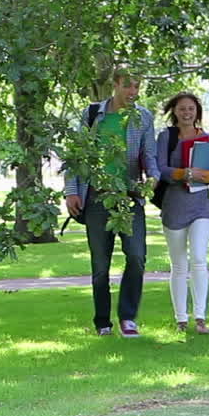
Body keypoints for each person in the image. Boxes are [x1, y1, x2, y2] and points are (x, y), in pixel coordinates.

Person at [64, 68, 157, 338]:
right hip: (96, 197)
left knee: (137, 256)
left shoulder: (143, 117)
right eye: (128, 86)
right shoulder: (93, 114)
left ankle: (128, 317)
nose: (133, 92)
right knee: (100, 266)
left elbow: (149, 155)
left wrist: (153, 177)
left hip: (129, 197)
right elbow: (77, 155)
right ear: (115, 84)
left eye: (137, 87)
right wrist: (72, 191)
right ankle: (102, 322)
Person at [154, 92, 209, 334]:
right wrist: (184, 173)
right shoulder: (166, 137)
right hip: (174, 206)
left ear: (197, 111)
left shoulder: (206, 138)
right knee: (179, 265)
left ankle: (200, 317)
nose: (186, 113)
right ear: (175, 112)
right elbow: (161, 168)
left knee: (199, 259)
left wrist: (205, 175)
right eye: (182, 109)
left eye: (191, 108)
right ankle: (181, 318)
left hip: (200, 206)